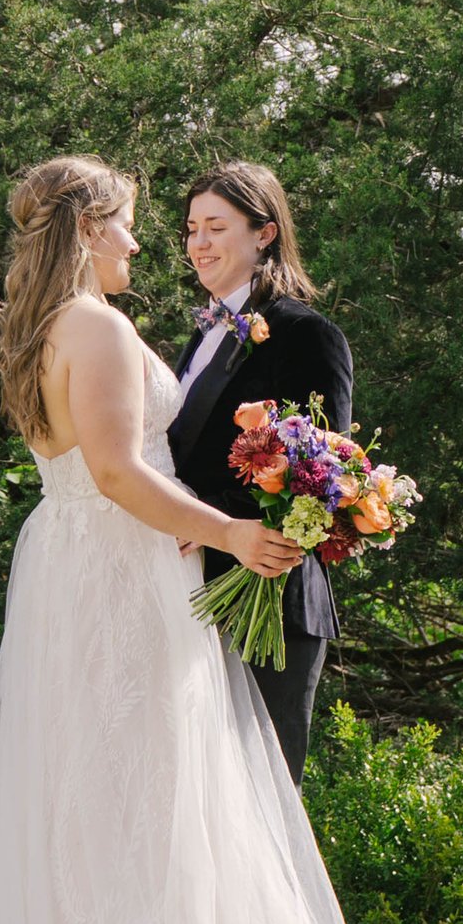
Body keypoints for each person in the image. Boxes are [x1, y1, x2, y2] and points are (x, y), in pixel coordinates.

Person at [0, 153, 366, 924]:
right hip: (116, 576)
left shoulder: (45, 326)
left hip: (85, 572)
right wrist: (228, 531)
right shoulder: (94, 327)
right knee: (145, 807)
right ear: (88, 229)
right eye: (131, 224)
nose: (146, 244)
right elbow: (114, 471)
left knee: (100, 812)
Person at [166, 161, 352, 784]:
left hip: (269, 600)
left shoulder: (307, 334)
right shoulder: (201, 337)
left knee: (262, 798)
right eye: (192, 228)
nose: (199, 243)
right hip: (190, 595)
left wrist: (207, 518)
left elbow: (323, 471)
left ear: (264, 234)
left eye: (216, 227)